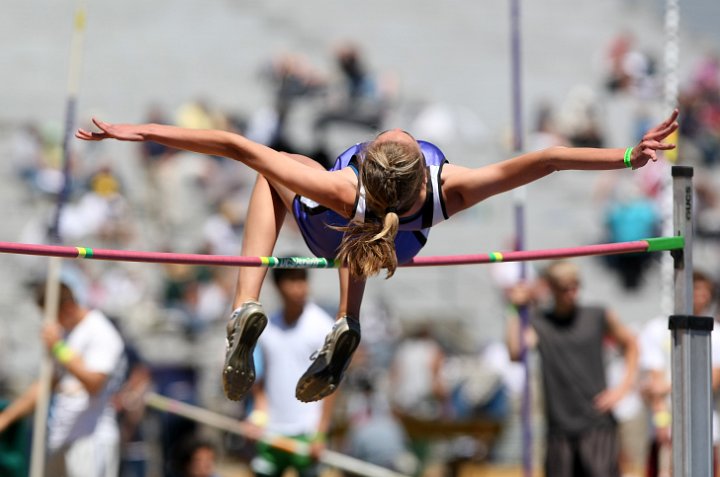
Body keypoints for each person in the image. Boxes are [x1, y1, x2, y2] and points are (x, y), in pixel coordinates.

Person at [75, 108, 678, 404]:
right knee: (364, 232)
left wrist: (144, 133)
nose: (394, 129)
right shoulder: (453, 188)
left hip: (341, 226)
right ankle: (348, 319)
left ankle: (244, 306)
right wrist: (626, 157)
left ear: (372, 162)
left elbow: (239, 147)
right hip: (398, 244)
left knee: (276, 181)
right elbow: (546, 159)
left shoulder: (345, 183)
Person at [505, 260, 639, 477]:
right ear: (551, 288)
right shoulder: (541, 323)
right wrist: (515, 309)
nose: (571, 293)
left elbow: (631, 344)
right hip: (559, 428)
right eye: (564, 288)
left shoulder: (597, 315)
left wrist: (622, 389)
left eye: (575, 286)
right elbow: (515, 352)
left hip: (597, 424)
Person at [0, 281, 126, 477]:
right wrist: (6, 417)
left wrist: (58, 349)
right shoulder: (68, 334)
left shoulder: (101, 332)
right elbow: (45, 385)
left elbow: (94, 384)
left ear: (67, 308)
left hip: (91, 439)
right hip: (62, 437)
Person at [246, 266, 336, 477]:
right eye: (292, 281)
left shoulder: (323, 326)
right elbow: (260, 383)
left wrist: (321, 432)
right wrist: (257, 417)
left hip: (307, 431)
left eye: (302, 280)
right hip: (272, 431)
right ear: (278, 285)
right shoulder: (267, 328)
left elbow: (331, 383)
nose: (299, 288)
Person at [639, 270, 720, 477]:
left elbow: (712, 379)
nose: (702, 296)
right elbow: (652, 384)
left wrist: (667, 385)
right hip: (667, 428)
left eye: (706, 291)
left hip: (706, 431)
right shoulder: (656, 329)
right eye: (696, 289)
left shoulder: (716, 333)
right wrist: (663, 421)